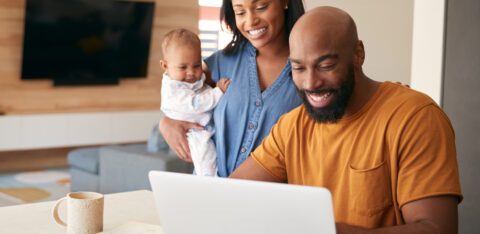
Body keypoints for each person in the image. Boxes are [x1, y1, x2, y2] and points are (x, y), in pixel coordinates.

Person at [230, 6, 463, 233]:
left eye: (325, 66)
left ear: (358, 54)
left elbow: (437, 228)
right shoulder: (291, 126)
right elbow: (230, 195)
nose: (311, 83)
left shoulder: (415, 117)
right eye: (298, 68)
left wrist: (327, 230)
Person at [159, 0, 306, 177]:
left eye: (261, 7)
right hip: (213, 192)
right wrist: (166, 123)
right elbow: (179, 95)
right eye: (240, 12)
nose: (251, 21)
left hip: (273, 198)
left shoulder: (309, 69)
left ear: (284, 2)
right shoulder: (221, 62)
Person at [159, 29, 230, 176]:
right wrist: (218, 91)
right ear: (165, 66)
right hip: (194, 133)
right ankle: (208, 183)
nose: (191, 72)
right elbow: (196, 104)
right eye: (183, 67)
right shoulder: (173, 90)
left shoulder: (187, 80)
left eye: (196, 65)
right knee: (207, 162)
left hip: (203, 127)